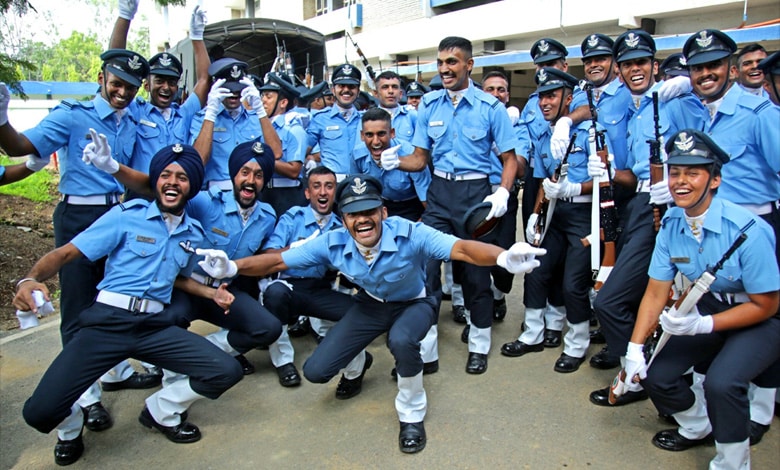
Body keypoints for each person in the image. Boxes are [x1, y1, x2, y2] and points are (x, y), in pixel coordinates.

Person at [195, 174, 546, 454]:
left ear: (383, 212)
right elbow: (276, 260)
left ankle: (411, 414)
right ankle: (360, 362)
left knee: (403, 339)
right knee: (316, 372)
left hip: (414, 304)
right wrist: (231, 267)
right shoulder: (332, 242)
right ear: (343, 219)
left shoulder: (412, 233)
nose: (363, 220)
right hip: (371, 306)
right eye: (353, 214)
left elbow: (463, 249)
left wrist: (502, 257)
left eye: (369, 211)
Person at [13, 144, 243, 466]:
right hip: (108, 322)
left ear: (192, 186)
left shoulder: (194, 233)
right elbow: (67, 253)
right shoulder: (127, 215)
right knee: (38, 413)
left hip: (153, 327)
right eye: (165, 175)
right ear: (156, 181)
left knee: (226, 370)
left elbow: (178, 278)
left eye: (182, 177)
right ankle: (70, 427)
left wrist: (213, 292)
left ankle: (161, 411)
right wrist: (30, 279)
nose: (173, 182)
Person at [0, 49, 160, 435]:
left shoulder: (134, 117)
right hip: (79, 216)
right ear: (102, 78)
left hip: (119, 215)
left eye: (131, 87)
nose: (123, 92)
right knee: (77, 309)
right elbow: (19, 148)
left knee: (113, 302)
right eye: (117, 83)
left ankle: (115, 371)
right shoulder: (73, 115)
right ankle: (86, 399)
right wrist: (1, 120)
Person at [619, 129, 779, 470]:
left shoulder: (747, 229)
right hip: (707, 307)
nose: (681, 181)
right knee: (654, 373)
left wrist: (703, 324)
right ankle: (698, 425)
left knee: (723, 383)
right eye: (675, 171)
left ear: (715, 179)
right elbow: (656, 290)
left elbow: (767, 304)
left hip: (759, 316)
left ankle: (732, 463)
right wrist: (633, 350)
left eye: (693, 172)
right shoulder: (672, 224)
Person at [380, 36, 519, 374]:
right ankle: (425, 350)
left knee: (475, 273)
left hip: (475, 196)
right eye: (441, 62)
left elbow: (510, 159)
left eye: (452, 62)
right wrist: (395, 161)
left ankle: (479, 344)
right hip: (440, 194)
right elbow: (419, 158)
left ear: (469, 65)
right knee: (426, 268)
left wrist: (502, 192)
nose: (445, 68)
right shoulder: (428, 104)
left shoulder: (491, 107)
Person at [588, 30, 709, 408]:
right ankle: (638, 367)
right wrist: (604, 170)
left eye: (642, 62)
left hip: (677, 206)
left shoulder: (675, 101)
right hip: (639, 202)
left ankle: (642, 374)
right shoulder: (633, 109)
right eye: (627, 64)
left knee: (629, 300)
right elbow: (629, 171)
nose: (634, 70)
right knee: (632, 297)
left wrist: (686, 83)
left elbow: (706, 143)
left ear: (655, 66)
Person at [501, 68, 595, 373]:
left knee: (573, 283)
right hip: (554, 211)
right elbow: (545, 178)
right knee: (536, 270)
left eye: (551, 95)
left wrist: (576, 188)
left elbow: (608, 179)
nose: (544, 102)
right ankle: (533, 334)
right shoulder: (547, 133)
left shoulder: (589, 132)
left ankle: (576, 344)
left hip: (583, 210)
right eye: (541, 95)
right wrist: (536, 216)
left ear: (569, 98)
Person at [166, 141, 283, 376]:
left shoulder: (268, 217)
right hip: (187, 287)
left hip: (225, 292)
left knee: (269, 328)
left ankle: (207, 352)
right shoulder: (206, 202)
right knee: (166, 323)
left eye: (259, 175)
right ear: (233, 175)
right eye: (245, 172)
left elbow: (263, 259)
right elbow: (167, 198)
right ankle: (174, 380)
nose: (251, 180)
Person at [262, 166, 367, 391]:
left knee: (356, 312)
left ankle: (356, 368)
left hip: (320, 288)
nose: (323, 192)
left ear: (335, 193)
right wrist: (294, 249)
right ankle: (284, 362)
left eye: (329, 186)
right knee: (274, 294)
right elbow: (267, 257)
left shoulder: (341, 226)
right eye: (316, 186)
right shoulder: (292, 218)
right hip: (289, 285)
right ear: (307, 193)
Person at [578, 32, 633, 371]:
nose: (594, 64)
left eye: (601, 58)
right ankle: (612, 334)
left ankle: (623, 349)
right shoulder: (583, 97)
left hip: (628, 194)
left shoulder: (627, 95)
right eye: (588, 60)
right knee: (599, 268)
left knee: (621, 273)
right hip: (596, 194)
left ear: (614, 62)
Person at [109, 1, 210, 176]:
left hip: (175, 195)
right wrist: (125, 16)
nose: (166, 87)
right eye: (160, 81)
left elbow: (204, 80)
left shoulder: (184, 114)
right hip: (141, 194)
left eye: (171, 82)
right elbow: (114, 66)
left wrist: (197, 37)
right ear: (147, 85)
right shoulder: (134, 111)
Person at [189, 58, 282, 190]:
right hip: (215, 194)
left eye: (238, 90)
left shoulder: (255, 118)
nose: (234, 94)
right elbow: (199, 160)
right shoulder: (202, 119)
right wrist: (211, 114)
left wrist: (260, 111)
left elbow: (276, 153)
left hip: (248, 193)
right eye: (229, 90)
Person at [353, 108, 430, 221]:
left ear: (392, 133)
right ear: (362, 136)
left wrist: (416, 229)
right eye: (369, 135)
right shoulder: (357, 155)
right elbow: (357, 196)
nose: (376, 141)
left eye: (381, 134)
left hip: (412, 207)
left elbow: (428, 207)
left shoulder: (411, 156)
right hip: (379, 207)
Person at [257, 72, 309, 217]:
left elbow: (294, 170)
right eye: (262, 96)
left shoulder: (294, 130)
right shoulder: (258, 126)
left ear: (283, 102)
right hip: (263, 193)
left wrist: (262, 159)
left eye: (268, 96)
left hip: (287, 196)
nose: (263, 101)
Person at [305, 64, 363, 181]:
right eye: (341, 86)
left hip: (361, 181)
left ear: (358, 91)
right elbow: (302, 150)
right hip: (332, 184)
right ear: (333, 90)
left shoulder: (366, 119)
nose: (346, 90)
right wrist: (310, 160)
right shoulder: (320, 119)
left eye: (351, 86)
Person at [373, 70, 416, 143]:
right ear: (376, 93)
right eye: (385, 87)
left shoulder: (412, 116)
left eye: (394, 87)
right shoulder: (368, 119)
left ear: (401, 94)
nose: (390, 91)